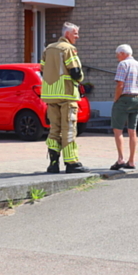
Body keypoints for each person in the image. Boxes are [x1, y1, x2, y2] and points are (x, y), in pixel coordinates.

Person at [40, 22, 89, 174]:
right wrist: (80, 79)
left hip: (50, 95)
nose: (77, 36)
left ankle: (53, 164)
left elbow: (42, 68)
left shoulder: (48, 48)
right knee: (68, 129)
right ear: (67, 34)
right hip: (66, 95)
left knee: (54, 129)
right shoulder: (68, 49)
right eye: (75, 33)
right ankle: (71, 163)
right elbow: (75, 72)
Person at [110, 44, 138, 170]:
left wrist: (116, 99)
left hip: (125, 97)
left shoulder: (123, 64)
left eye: (117, 54)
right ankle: (131, 161)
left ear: (123, 53)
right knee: (132, 130)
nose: (117, 57)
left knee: (118, 129)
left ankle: (120, 159)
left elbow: (120, 84)